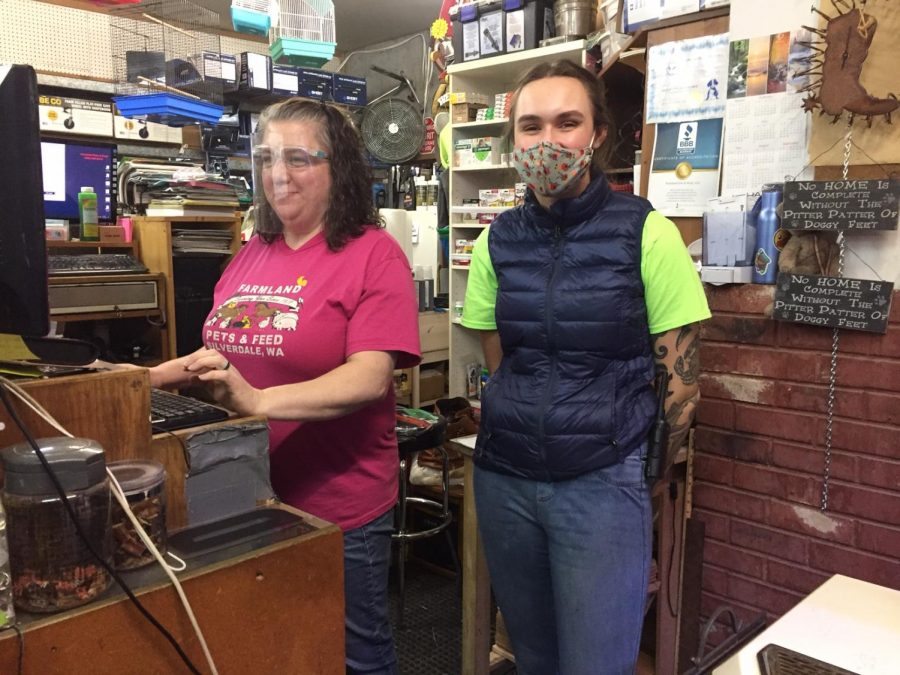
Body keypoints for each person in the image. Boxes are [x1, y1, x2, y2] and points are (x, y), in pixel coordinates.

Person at [148, 99, 420, 675]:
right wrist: (142, 379)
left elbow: (370, 376)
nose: (278, 174)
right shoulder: (253, 253)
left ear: (338, 168)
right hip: (241, 493)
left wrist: (258, 402)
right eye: (268, 157)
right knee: (272, 645)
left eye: (298, 158)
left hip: (336, 507)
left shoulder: (375, 255)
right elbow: (222, 352)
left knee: (354, 656)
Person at [460, 60, 711, 674]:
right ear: (513, 138)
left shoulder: (647, 233)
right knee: (535, 658)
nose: (548, 141)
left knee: (597, 664)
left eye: (567, 122)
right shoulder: (497, 241)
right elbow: (500, 358)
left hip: (601, 481)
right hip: (506, 480)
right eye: (530, 126)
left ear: (598, 134)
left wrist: (642, 472)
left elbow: (682, 380)